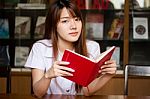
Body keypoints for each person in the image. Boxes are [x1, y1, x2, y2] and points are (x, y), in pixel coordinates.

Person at [25, 0, 116, 98]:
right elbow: (38, 93)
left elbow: (86, 91)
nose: (74, 26)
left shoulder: (92, 47)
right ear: (54, 25)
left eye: (77, 19)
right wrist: (48, 75)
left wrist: (108, 75)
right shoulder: (40, 48)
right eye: (65, 21)